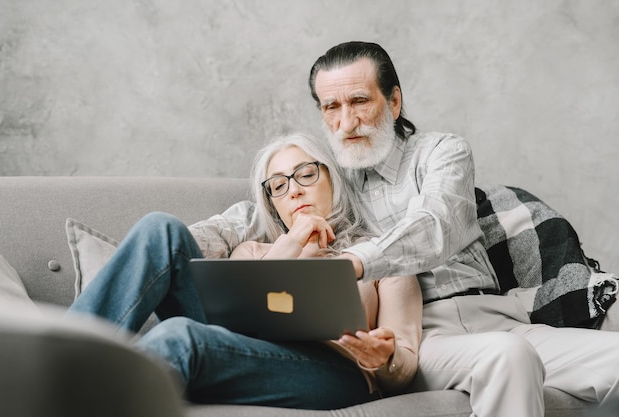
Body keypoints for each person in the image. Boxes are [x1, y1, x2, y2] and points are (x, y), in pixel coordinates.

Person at [305, 41, 619, 417]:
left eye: (359, 101)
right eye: (331, 107)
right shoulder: (327, 179)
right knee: (507, 356)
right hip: (422, 337)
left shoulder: (442, 152)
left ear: (393, 102)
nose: (346, 122)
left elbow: (437, 223)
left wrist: (357, 260)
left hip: (500, 318)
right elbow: (251, 211)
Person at [67, 132, 423, 410]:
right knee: (160, 228)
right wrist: (293, 243)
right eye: (279, 186)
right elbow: (242, 313)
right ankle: (57, 362)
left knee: (178, 336)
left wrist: (383, 358)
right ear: (272, 204)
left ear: (332, 179)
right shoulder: (254, 251)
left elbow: (404, 365)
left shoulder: (380, 255)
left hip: (336, 373)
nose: (294, 191)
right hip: (238, 347)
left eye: (306, 174)